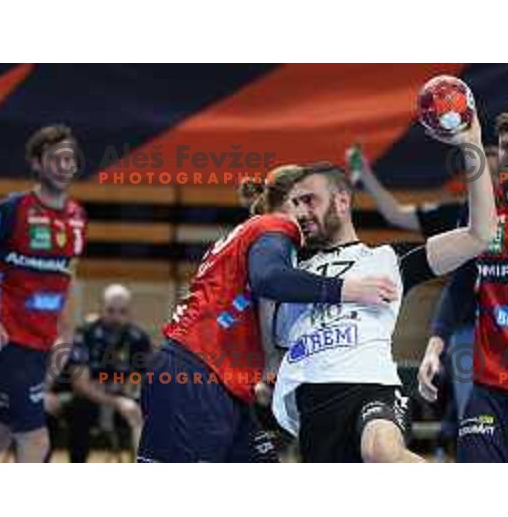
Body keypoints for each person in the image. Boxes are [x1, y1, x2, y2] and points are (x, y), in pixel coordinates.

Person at [272, 112, 497, 462]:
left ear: (343, 202)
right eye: (296, 204)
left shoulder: (389, 258)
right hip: (312, 406)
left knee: (382, 451)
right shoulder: (289, 274)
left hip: (373, 390)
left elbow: (480, 234)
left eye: (310, 200)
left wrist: (472, 144)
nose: (301, 212)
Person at [137, 166, 401, 463]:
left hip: (221, 381)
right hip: (196, 372)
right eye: (307, 200)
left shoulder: (257, 232)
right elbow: (269, 280)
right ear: (291, 200)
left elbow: (260, 304)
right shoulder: (277, 226)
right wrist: (349, 289)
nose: (310, 212)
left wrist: (267, 366)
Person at [418, 107, 508, 462]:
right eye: (506, 146)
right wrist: (434, 347)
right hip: (489, 385)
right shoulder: (484, 209)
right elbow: (459, 287)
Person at [0, 124, 86, 462]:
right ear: (36, 163)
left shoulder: (77, 218)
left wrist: (67, 329)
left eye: (69, 158)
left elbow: (67, 277)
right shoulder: (9, 211)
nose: (63, 165)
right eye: (54, 158)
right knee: (36, 441)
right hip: (10, 344)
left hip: (42, 345)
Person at [63, 284, 151, 462]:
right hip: (91, 400)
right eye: (110, 311)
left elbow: (144, 379)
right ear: (101, 308)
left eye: (122, 311)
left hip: (124, 398)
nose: (116, 317)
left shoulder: (139, 337)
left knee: (149, 409)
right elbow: (80, 384)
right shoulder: (85, 333)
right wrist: (116, 401)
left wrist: (127, 392)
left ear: (130, 312)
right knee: (79, 407)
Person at [347, 142, 499, 237]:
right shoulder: (453, 213)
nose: (489, 181)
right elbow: (396, 215)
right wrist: (364, 173)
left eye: (496, 173)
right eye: (482, 174)